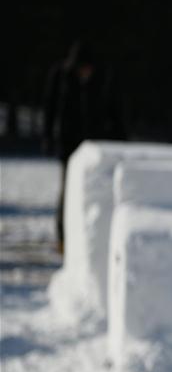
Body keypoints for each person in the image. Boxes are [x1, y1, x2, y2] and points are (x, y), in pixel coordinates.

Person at [43, 40, 124, 252]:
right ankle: (63, 238)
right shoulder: (61, 76)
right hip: (68, 144)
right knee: (67, 191)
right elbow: (50, 107)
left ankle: (89, 239)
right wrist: (48, 136)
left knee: (94, 193)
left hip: (94, 145)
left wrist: (119, 139)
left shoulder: (102, 78)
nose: (85, 72)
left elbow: (113, 109)